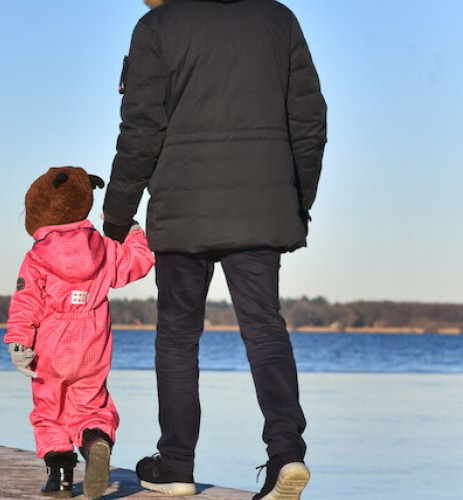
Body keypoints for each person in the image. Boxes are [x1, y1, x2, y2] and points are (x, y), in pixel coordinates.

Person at [101, 0, 326, 499]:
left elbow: (140, 130)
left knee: (179, 336)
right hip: (262, 203)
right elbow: (310, 120)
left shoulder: (157, 27)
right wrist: (295, 199)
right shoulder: (277, 18)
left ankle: (176, 463)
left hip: (183, 208)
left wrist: (117, 216)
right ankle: (286, 452)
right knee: (265, 327)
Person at [6, 166, 155, 498]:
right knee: (90, 402)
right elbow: (139, 261)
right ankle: (96, 440)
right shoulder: (102, 247)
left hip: (52, 337)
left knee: (49, 407)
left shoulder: (37, 256)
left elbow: (26, 300)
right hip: (94, 337)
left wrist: (19, 340)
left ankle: (60, 478)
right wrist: (132, 231)